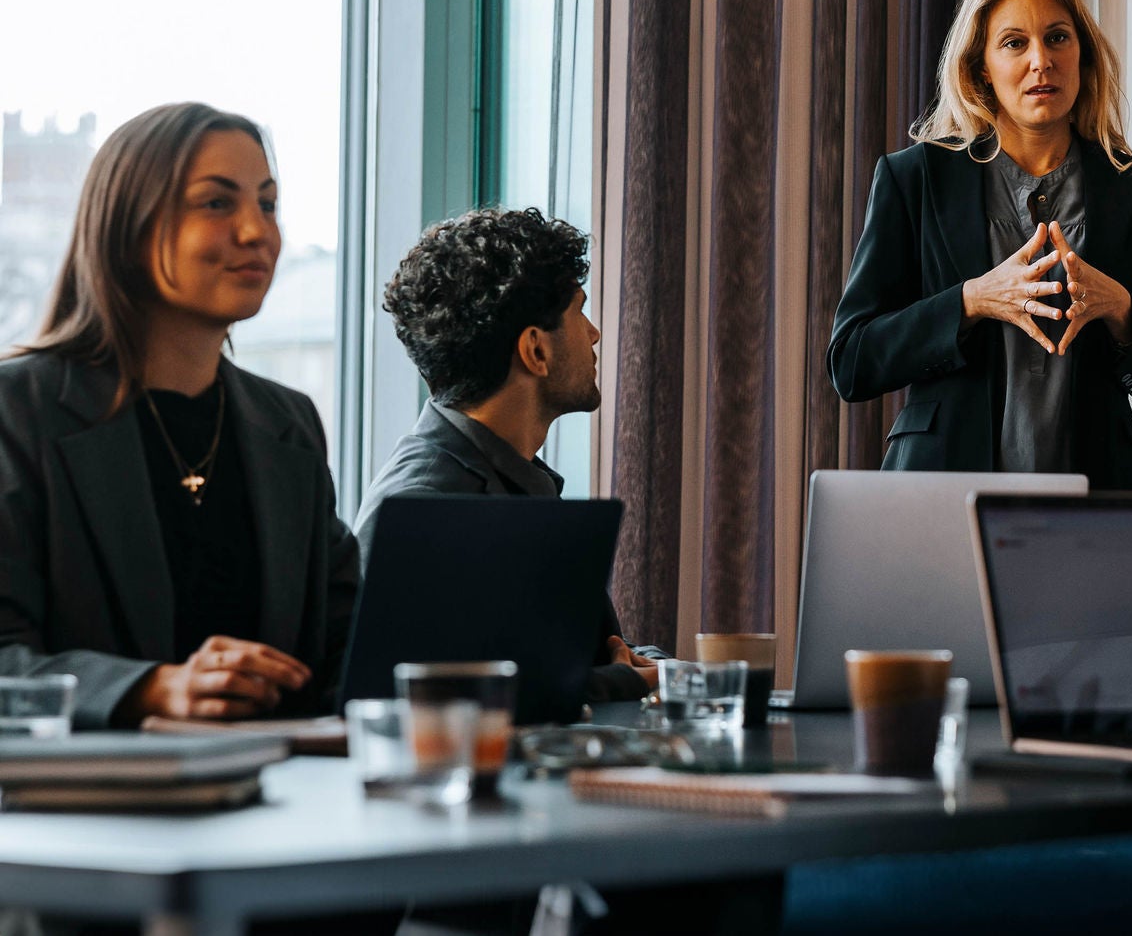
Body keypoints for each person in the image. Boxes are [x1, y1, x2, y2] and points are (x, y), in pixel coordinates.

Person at [0, 103, 358, 728]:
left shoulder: (289, 423)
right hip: (79, 814)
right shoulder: (17, 412)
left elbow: (348, 643)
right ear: (128, 228)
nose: (258, 231)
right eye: (218, 203)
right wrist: (150, 690)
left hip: (276, 807)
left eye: (268, 204)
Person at [829, 0, 1132, 491]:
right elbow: (852, 361)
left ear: (1083, 55)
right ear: (980, 65)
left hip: (1097, 512)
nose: (1041, 61)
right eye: (1014, 43)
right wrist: (972, 300)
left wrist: (1120, 309)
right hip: (940, 505)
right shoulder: (914, 180)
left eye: (1057, 38)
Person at [354, 207, 656, 701]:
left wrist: (664, 669)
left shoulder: (507, 476)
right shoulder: (428, 502)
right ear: (536, 350)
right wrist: (621, 681)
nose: (594, 333)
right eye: (579, 311)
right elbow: (429, 696)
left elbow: (575, 657)